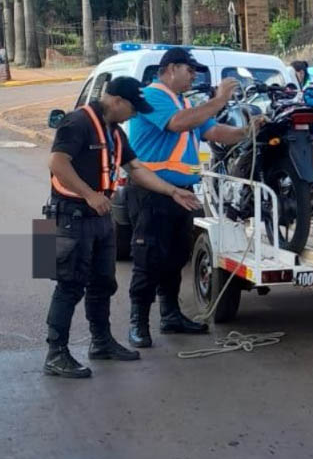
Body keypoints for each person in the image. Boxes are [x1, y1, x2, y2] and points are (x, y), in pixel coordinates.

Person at [44, 76, 201, 379]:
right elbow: (56, 162)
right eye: (133, 108)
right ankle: (56, 354)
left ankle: (102, 343)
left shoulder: (114, 132)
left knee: (103, 283)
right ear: (116, 101)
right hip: (68, 216)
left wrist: (172, 191)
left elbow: (137, 169)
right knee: (68, 285)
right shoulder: (76, 122)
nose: (134, 115)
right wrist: (89, 195)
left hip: (99, 217)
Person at [126, 47, 252, 348]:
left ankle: (170, 315)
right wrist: (218, 100)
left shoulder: (184, 103)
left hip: (182, 194)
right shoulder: (151, 96)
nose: (194, 75)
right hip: (152, 192)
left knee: (176, 256)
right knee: (149, 258)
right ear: (171, 69)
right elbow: (177, 123)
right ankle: (138, 322)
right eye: (189, 69)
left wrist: (247, 131)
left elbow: (215, 131)